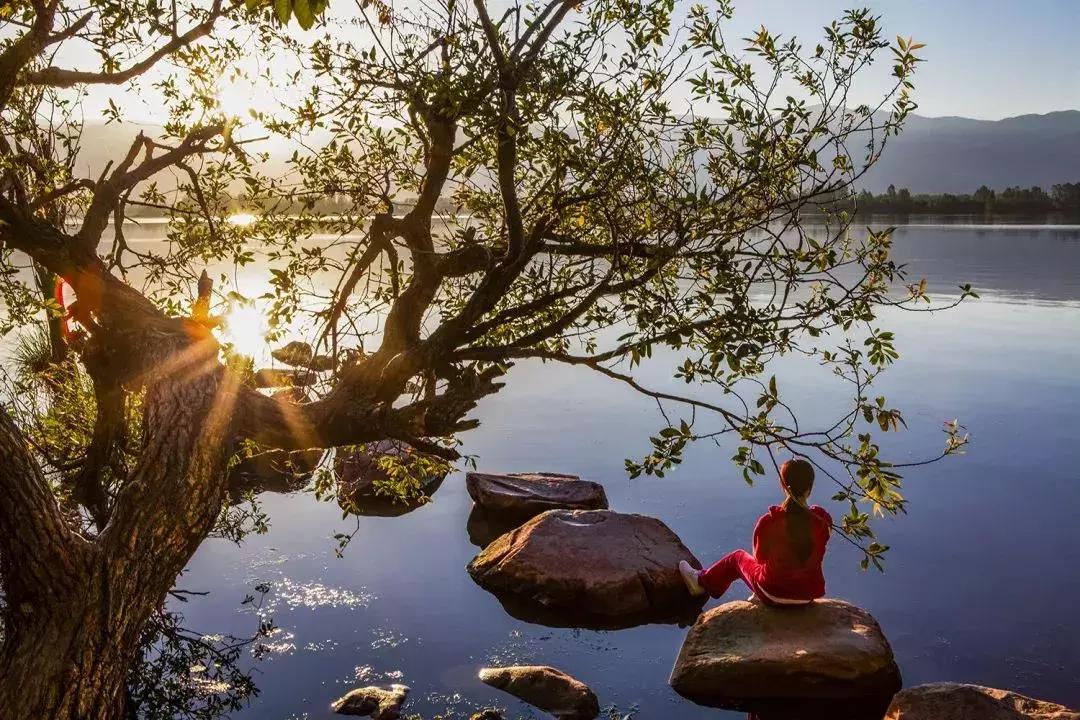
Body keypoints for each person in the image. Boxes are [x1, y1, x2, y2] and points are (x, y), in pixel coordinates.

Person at [679, 458, 832, 606]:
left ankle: (700, 582)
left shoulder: (769, 521)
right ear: (810, 487)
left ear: (783, 485)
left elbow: (760, 559)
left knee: (737, 558)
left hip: (771, 593)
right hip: (807, 596)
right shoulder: (822, 519)